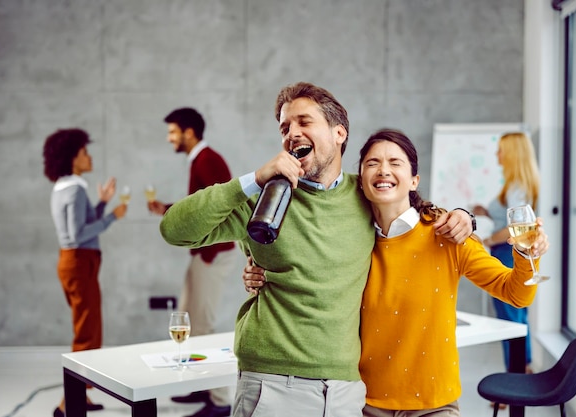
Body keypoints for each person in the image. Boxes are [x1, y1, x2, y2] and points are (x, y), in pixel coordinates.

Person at [159, 82, 474, 417]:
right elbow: (174, 230)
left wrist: (464, 216)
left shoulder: (365, 193)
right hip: (273, 382)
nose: (292, 133)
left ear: (339, 133)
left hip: (346, 390)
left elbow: (413, 211)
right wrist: (253, 179)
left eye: (304, 122)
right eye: (285, 127)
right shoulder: (262, 197)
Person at [243, 128, 549, 416]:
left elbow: (516, 295)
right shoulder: (348, 240)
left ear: (414, 180)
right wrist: (260, 272)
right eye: (372, 163)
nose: (384, 170)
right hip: (363, 402)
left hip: (435, 404)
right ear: (360, 179)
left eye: (395, 163)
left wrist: (525, 255)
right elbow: (300, 274)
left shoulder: (447, 235)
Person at [147, 107, 238, 417]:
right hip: (204, 254)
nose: (169, 137)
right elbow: (201, 206)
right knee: (187, 318)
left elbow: (223, 207)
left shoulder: (207, 159)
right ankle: (202, 387)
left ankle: (221, 401)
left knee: (202, 325)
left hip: (212, 255)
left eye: (173, 131)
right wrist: (168, 209)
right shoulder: (200, 159)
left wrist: (208, 254)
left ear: (189, 132)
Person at [43, 128, 127, 417]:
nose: (89, 156)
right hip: (80, 262)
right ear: (72, 158)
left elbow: (73, 227)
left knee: (85, 328)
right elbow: (78, 234)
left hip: (71, 263)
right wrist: (111, 217)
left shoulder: (64, 186)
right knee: (87, 335)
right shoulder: (76, 189)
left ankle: (83, 396)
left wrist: (102, 201)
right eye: (84, 152)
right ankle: (69, 402)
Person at [473, 132, 540, 377]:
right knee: (517, 315)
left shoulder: (518, 187)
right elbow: (512, 219)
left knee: (509, 319)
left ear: (512, 153)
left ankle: (516, 379)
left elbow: (517, 228)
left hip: (507, 253)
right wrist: (488, 212)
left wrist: (488, 240)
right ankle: (523, 369)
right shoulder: (518, 185)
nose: (497, 154)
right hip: (510, 252)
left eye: (500, 150)